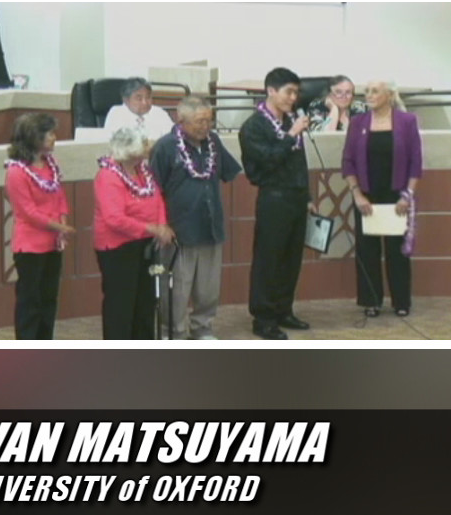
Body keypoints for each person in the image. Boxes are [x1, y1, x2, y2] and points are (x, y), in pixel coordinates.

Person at [149, 96, 243, 340]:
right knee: (178, 289)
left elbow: (229, 172)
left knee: (208, 288)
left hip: (210, 226)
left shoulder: (213, 142)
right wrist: (161, 225)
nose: (205, 126)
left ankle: (203, 328)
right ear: (181, 121)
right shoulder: (165, 147)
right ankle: (174, 332)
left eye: (209, 120)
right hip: (179, 231)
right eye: (199, 121)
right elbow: (153, 190)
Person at [238, 67, 316, 340]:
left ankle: (284, 309)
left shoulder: (290, 120)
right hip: (273, 198)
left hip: (295, 197)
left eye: (296, 92)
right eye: (288, 92)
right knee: (269, 259)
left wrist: (307, 196)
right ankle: (263, 317)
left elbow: (299, 162)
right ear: (271, 90)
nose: (293, 98)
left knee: (291, 259)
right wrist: (291, 135)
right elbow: (266, 160)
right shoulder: (254, 126)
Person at [343, 80, 423, 317]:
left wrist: (407, 195)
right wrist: (357, 194)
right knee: (367, 251)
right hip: (366, 195)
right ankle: (371, 301)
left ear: (389, 95)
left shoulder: (407, 122)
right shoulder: (357, 123)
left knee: (396, 252)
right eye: (366, 91)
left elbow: (415, 163)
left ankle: (401, 302)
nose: (369, 95)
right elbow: (347, 161)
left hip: (396, 195)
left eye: (374, 91)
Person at [93, 127, 175, 340]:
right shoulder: (108, 176)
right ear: (130, 149)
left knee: (145, 300)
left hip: (145, 245)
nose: (149, 146)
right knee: (122, 302)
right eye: (145, 143)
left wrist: (162, 225)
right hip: (119, 247)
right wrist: (150, 228)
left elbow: (157, 200)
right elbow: (114, 218)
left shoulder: (143, 171)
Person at [4, 113, 75, 340]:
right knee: (30, 300)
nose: (54, 138)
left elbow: (59, 195)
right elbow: (28, 211)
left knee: (48, 298)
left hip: (52, 243)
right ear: (34, 137)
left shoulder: (50, 164)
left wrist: (63, 220)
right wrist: (58, 226)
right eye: (49, 134)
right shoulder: (16, 172)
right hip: (30, 245)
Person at [102, 77, 177, 143]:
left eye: (148, 97)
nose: (144, 103)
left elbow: (172, 139)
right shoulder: (117, 113)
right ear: (126, 100)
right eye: (139, 98)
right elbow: (111, 142)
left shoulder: (159, 113)